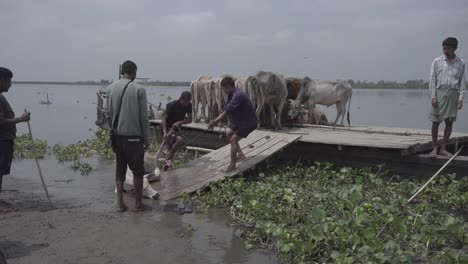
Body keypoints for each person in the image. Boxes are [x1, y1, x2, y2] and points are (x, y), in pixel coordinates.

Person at [106, 60, 150, 212]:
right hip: (134, 138)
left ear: (122, 72)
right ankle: (138, 204)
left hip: (117, 136)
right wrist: (147, 137)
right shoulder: (139, 90)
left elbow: (109, 113)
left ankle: (120, 203)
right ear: (134, 72)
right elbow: (143, 117)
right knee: (138, 171)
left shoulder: (110, 88)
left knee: (120, 169)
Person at [208, 77, 258, 172]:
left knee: (233, 139)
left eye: (223, 88)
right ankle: (240, 154)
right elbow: (225, 109)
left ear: (227, 87)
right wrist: (219, 120)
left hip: (248, 122)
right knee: (229, 133)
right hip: (240, 121)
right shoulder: (231, 95)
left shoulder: (238, 95)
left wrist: (214, 122)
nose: (223, 90)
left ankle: (232, 165)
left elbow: (227, 110)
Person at [0, 67, 31, 211]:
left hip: (5, 139)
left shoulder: (1, 96)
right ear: (2, 80)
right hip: (1, 140)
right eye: (9, 80)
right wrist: (20, 119)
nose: (10, 84)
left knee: (1, 171)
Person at [429, 37, 465, 157]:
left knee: (449, 122)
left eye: (448, 48)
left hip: (453, 94)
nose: (445, 51)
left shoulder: (461, 63)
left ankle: (443, 148)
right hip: (439, 93)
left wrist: (460, 99)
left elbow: (462, 82)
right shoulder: (437, 61)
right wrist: (433, 96)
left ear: (455, 48)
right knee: (435, 122)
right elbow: (432, 80)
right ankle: (434, 148)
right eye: (444, 48)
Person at [161, 91, 192, 170]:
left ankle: (167, 162)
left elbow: (190, 119)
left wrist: (180, 122)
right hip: (168, 128)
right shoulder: (171, 105)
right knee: (172, 146)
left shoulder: (189, 105)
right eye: (185, 101)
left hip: (176, 128)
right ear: (180, 99)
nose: (186, 104)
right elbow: (164, 119)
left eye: (188, 101)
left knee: (176, 144)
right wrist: (165, 132)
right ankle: (167, 165)